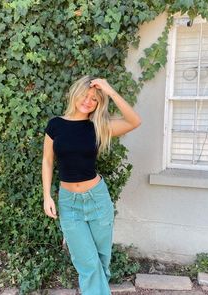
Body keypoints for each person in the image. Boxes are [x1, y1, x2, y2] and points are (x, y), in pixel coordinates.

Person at [42, 75, 141, 295]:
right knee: (87, 263)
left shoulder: (98, 126)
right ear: (74, 94)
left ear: (99, 103)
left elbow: (135, 121)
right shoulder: (55, 125)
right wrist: (47, 196)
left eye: (94, 99)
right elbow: (48, 160)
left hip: (97, 199)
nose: (88, 101)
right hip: (69, 203)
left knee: (101, 262)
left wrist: (110, 90)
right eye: (85, 95)